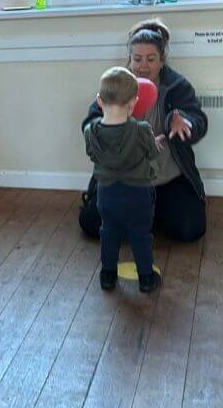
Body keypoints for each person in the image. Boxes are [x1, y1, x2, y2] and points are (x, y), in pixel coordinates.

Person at [79, 19, 208, 243]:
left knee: (190, 229)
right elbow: (90, 123)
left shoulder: (178, 86)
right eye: (137, 59)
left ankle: (147, 213)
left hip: (167, 178)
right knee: (90, 223)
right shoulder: (115, 84)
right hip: (122, 179)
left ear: (162, 60)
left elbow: (198, 121)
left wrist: (182, 121)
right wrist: (111, 122)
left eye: (151, 59)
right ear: (129, 59)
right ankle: (141, 215)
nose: (143, 66)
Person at [84, 67, 161, 293]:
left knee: (108, 232)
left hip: (106, 193)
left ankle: (107, 276)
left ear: (99, 100)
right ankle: (146, 278)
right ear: (133, 103)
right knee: (140, 235)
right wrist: (151, 142)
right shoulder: (142, 130)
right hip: (137, 194)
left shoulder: (91, 131)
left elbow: (92, 154)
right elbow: (152, 154)